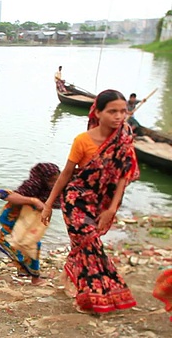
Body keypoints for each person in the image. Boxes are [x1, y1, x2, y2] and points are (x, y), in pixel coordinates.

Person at [40, 89, 139, 314]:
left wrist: (111, 210)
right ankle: (89, 296)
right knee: (90, 244)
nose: (119, 116)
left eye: (123, 111)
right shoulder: (82, 141)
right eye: (112, 111)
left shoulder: (124, 138)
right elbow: (66, 174)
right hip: (75, 200)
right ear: (98, 112)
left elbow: (124, 176)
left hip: (100, 202)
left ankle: (67, 275)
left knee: (82, 245)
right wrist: (48, 204)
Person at [0, 163, 61, 285]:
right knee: (32, 244)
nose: (54, 183)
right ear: (43, 179)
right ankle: (35, 278)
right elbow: (11, 197)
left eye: (57, 179)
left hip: (26, 219)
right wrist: (33, 200)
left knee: (6, 236)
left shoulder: (51, 189)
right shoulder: (32, 185)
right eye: (51, 180)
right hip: (14, 217)